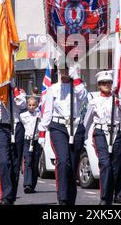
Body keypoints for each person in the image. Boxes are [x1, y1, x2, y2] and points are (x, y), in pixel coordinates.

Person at [39, 64, 87, 205]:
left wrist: (76, 76)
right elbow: (47, 111)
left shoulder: (79, 86)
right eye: (62, 68)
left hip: (76, 126)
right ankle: (63, 198)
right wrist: (42, 133)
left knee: (72, 165)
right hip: (58, 126)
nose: (65, 71)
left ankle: (70, 198)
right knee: (63, 160)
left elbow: (83, 96)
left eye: (67, 68)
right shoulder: (53, 89)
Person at [83, 70, 121, 205]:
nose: (106, 85)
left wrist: (119, 102)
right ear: (99, 85)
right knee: (105, 165)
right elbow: (86, 122)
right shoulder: (94, 102)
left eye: (109, 82)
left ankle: (110, 197)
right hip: (100, 133)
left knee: (115, 167)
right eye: (103, 83)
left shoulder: (116, 99)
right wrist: (83, 138)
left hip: (116, 133)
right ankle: (104, 197)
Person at [0, 86, 27, 205]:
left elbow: (23, 105)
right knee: (4, 161)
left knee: (15, 163)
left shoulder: (20, 92)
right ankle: (5, 196)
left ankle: (11, 194)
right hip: (1, 127)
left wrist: (14, 91)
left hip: (17, 127)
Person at [20, 97, 42, 194]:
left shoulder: (39, 115)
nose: (31, 107)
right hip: (27, 140)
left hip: (36, 141)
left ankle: (32, 185)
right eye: (29, 105)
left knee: (35, 162)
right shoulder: (23, 115)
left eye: (33, 105)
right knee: (28, 161)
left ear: (36, 106)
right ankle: (27, 184)